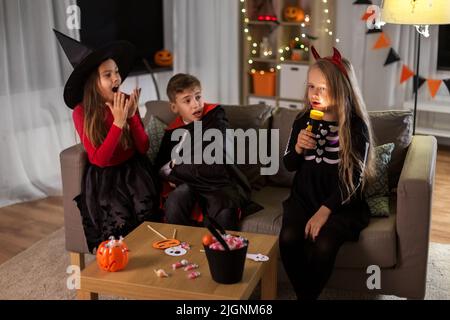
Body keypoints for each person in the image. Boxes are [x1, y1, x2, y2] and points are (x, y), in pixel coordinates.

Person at [279, 46, 376, 300]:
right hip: (303, 197)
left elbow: (355, 180)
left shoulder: (355, 127)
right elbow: (289, 164)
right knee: (289, 238)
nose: (314, 93)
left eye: (322, 88)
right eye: (311, 86)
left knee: (324, 245)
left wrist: (325, 211)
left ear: (342, 89)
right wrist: (298, 147)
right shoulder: (303, 120)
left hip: (340, 202)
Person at [54, 30, 161, 253]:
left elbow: (142, 147)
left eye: (117, 72)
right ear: (94, 82)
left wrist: (132, 117)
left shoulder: (124, 101)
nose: (116, 79)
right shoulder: (81, 112)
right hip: (105, 179)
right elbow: (99, 159)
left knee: (147, 219)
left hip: (134, 172)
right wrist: (118, 124)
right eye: (107, 75)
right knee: (119, 227)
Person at [155, 73, 253, 230]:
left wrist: (175, 166)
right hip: (189, 185)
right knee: (175, 199)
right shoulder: (172, 132)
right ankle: (181, 247)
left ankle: (220, 251)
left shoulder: (215, 116)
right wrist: (180, 167)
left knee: (225, 208)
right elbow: (160, 168)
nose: (196, 104)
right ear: (174, 107)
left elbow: (213, 157)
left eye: (198, 97)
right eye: (187, 100)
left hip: (217, 183)